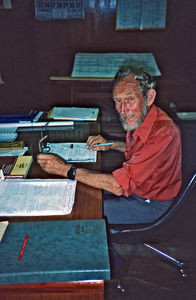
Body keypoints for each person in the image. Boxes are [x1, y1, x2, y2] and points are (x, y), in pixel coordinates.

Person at [37, 65, 182, 224]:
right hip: (138, 191)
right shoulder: (143, 117)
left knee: (79, 212)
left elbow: (118, 187)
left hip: (152, 205)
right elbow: (142, 152)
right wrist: (111, 144)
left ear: (149, 97)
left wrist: (65, 169)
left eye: (130, 99)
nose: (123, 109)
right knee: (77, 192)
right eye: (118, 100)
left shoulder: (164, 132)